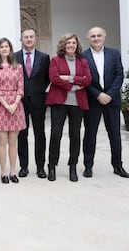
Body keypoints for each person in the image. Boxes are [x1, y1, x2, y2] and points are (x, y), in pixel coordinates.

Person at [82, 26, 129, 178]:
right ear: (88, 39)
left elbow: (119, 75)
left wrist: (109, 94)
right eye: (93, 36)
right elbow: (83, 79)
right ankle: (88, 166)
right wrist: (97, 94)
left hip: (112, 100)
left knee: (115, 134)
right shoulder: (83, 57)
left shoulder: (114, 53)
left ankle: (118, 166)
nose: (96, 38)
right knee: (90, 134)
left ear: (104, 37)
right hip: (93, 100)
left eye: (99, 36)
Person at [45, 34, 91, 182]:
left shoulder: (83, 62)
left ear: (77, 45)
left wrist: (68, 78)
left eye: (74, 43)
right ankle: (52, 166)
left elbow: (88, 79)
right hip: (59, 102)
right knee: (56, 134)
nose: (71, 45)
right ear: (63, 45)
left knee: (75, 135)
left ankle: (73, 166)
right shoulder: (55, 60)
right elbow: (54, 78)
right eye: (68, 43)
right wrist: (75, 84)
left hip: (77, 103)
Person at [0, 38, 26, 184]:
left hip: (16, 105)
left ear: (10, 49)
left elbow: (20, 87)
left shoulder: (18, 67)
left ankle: (13, 171)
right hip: (0, 105)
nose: (4, 49)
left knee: (13, 142)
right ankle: (4, 171)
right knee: (2, 142)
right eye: (1, 47)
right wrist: (6, 104)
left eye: (7, 46)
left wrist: (15, 103)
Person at [15, 28, 50, 178]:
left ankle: (40, 167)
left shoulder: (44, 57)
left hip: (38, 100)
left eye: (31, 37)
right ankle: (23, 166)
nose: (28, 39)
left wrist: (40, 91)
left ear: (35, 39)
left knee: (39, 134)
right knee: (22, 134)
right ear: (21, 39)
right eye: (25, 37)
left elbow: (48, 77)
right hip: (20, 101)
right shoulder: (14, 57)